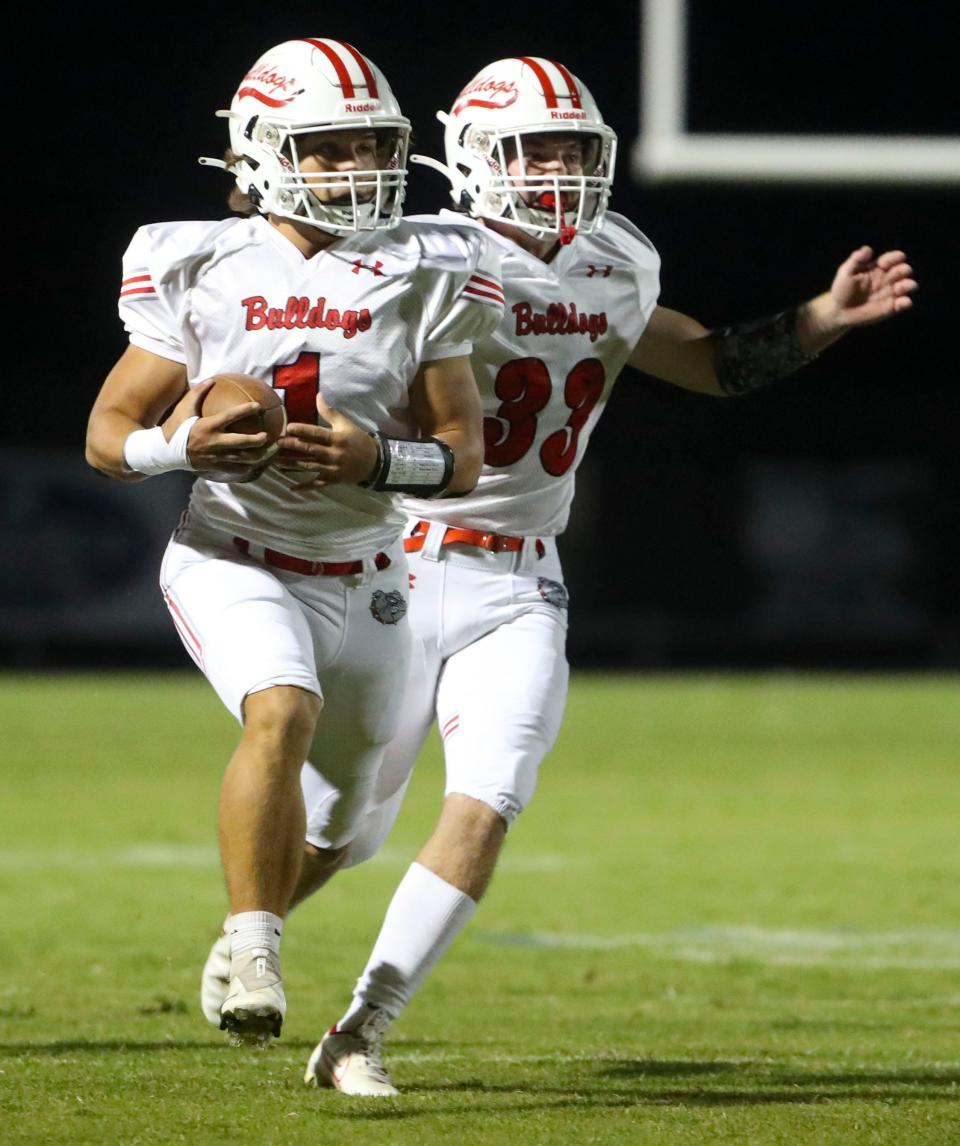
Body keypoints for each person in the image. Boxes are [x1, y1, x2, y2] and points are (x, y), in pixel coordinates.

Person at [199, 56, 918, 1086]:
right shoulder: (410, 254)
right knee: (346, 831)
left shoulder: (617, 257)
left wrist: (814, 323)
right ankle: (250, 926)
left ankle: (360, 1032)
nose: (556, 172)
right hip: (391, 562)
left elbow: (703, 359)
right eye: (532, 150)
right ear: (473, 156)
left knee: (490, 797)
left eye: (575, 150)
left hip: (520, 579)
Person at [85, 37, 505, 1048]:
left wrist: (375, 462)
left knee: (349, 829)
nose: (358, 165)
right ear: (262, 150)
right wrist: (183, 442)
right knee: (281, 709)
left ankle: (249, 920)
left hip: (368, 572)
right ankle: (258, 942)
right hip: (232, 553)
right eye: (328, 147)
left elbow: (461, 458)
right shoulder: (197, 261)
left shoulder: (426, 265)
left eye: (372, 143)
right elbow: (107, 436)